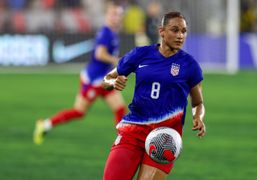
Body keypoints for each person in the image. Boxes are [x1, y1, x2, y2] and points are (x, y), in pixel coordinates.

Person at [102, 11, 206, 179]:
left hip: (164, 139)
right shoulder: (140, 54)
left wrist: (198, 117)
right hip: (132, 132)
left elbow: (198, 102)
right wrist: (113, 83)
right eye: (175, 30)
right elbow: (106, 79)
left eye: (184, 31)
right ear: (161, 31)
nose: (180, 36)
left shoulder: (190, 65)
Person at [33, 2, 126, 145]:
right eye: (114, 14)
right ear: (107, 15)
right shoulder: (105, 32)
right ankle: (45, 124)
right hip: (93, 81)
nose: (117, 17)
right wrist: (118, 61)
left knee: (120, 108)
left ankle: (123, 141)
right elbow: (100, 54)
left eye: (119, 14)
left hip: (105, 80)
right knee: (79, 112)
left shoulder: (113, 32)